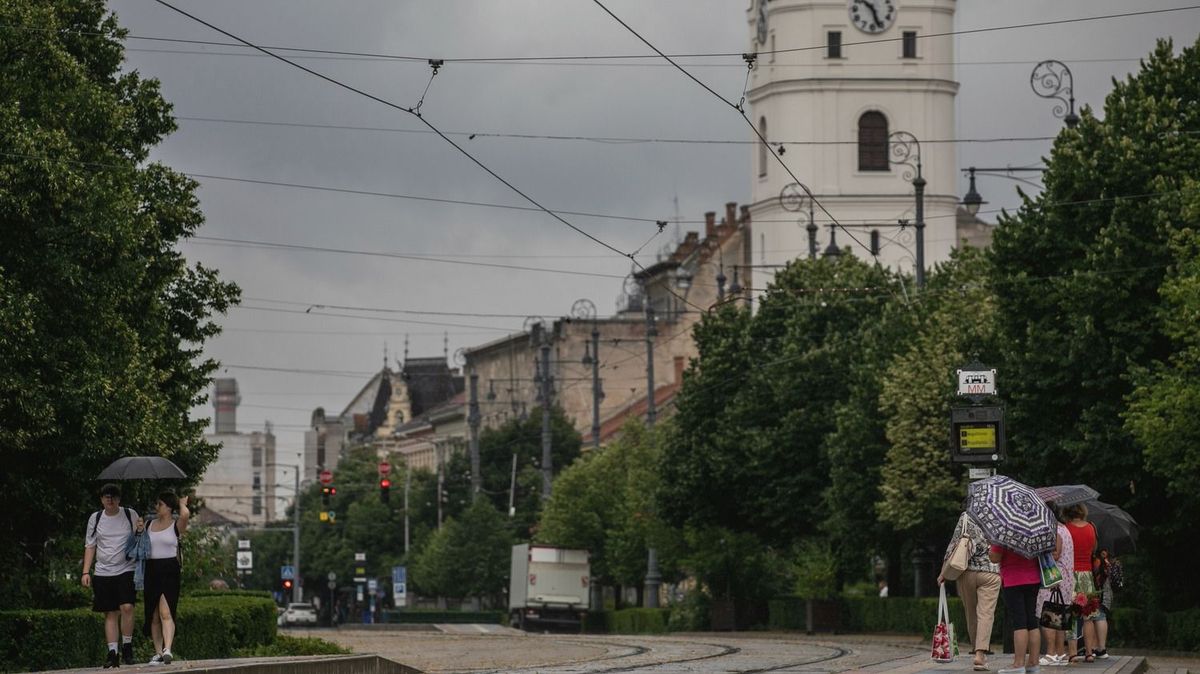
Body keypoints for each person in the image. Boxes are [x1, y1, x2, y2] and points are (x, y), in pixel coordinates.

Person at [82, 483, 140, 668]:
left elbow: (140, 540)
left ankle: (128, 647)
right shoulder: (96, 518)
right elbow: (90, 545)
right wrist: (86, 571)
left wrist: (140, 530)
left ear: (119, 499)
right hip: (103, 571)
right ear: (101, 499)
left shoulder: (130, 514)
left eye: (113, 496)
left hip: (126, 568)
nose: (110, 500)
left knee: (127, 607)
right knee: (110, 612)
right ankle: (113, 652)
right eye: (106, 496)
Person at [130, 491, 189, 665]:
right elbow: (137, 543)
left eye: (160, 504)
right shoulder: (149, 524)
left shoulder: (176, 525)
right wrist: (139, 530)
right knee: (153, 614)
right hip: (151, 569)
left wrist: (182, 503)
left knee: (166, 610)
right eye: (156, 503)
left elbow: (185, 514)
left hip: (169, 569)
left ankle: (168, 648)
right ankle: (158, 652)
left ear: (169, 507)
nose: (157, 507)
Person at [939, 511, 1001, 672]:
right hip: (991, 571)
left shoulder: (966, 516)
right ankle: (980, 655)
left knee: (971, 613)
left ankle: (976, 649)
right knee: (986, 614)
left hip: (966, 570)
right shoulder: (1000, 515)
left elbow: (953, 544)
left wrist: (943, 572)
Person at [989, 540, 1047, 674]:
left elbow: (995, 557)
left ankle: (1018, 664)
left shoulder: (1007, 530)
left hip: (1013, 580)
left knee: (1019, 622)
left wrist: (990, 549)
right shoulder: (1035, 531)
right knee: (1032, 621)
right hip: (1034, 578)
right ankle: (1033, 663)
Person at [1037, 503, 1075, 667]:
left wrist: (1039, 551)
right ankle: (1060, 652)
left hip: (1053, 578)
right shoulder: (1065, 528)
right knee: (1060, 616)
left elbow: (1056, 553)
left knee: (1049, 615)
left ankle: (1051, 653)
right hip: (1065, 579)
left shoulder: (1054, 530)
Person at [1062, 503, 1100, 663]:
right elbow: (1094, 550)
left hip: (1070, 575)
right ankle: (1089, 652)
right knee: (1088, 616)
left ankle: (1072, 653)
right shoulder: (1091, 528)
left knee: (1070, 615)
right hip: (1087, 575)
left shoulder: (1066, 529)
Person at [1090, 548, 1118, 659]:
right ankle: (1101, 648)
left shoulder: (1096, 560)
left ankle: (1093, 647)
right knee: (1101, 617)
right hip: (1106, 593)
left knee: (1094, 618)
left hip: (1097, 593)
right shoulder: (1109, 560)